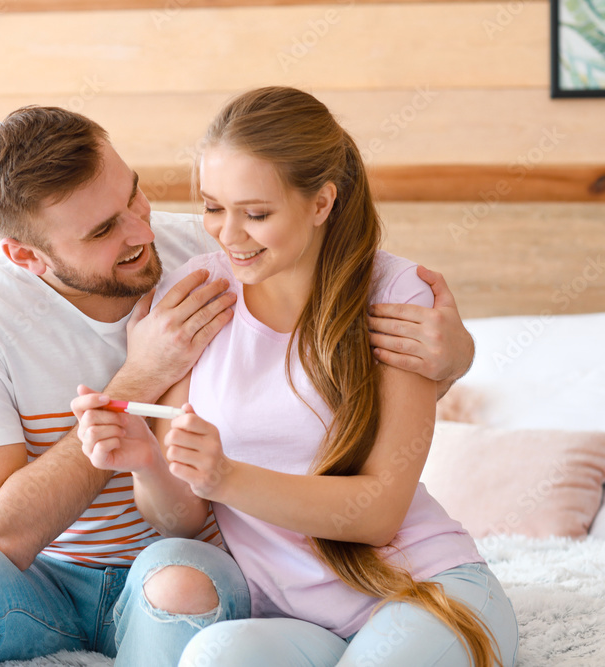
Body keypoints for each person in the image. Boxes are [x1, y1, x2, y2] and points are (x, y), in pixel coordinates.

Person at [0, 104, 477, 666]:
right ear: (25, 255)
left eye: (134, 193)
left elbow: (347, 358)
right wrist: (140, 378)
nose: (142, 229)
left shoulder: (215, 248)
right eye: (103, 231)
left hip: (197, 556)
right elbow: (2, 531)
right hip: (48, 574)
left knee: (177, 574)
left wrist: (454, 356)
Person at [74, 87, 518, 667]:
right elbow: (180, 516)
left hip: (422, 589)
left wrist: (227, 476)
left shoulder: (394, 295)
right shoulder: (196, 294)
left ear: (321, 203)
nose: (228, 234)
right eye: (212, 207)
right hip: (291, 619)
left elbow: (380, 513)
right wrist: (149, 463)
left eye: (256, 214)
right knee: (212, 656)